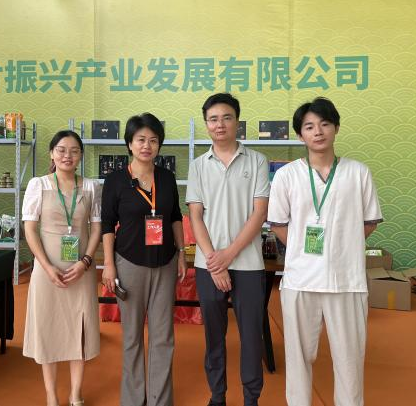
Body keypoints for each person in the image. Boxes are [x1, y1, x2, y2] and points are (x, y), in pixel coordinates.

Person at [267, 97, 383, 406]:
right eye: (309, 126)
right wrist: (304, 250)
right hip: (300, 280)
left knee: (349, 360)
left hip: (346, 281)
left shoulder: (358, 173)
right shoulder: (287, 175)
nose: (317, 131)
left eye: (324, 124)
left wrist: (340, 247)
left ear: (336, 128)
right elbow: (278, 223)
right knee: (298, 358)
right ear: (300, 134)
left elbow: (369, 222)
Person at [186, 93, 270, 406]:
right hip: (208, 265)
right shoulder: (198, 165)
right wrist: (215, 262)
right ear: (206, 124)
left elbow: (259, 213)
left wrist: (228, 255)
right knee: (214, 336)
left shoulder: (257, 160)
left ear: (237, 121)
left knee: (251, 336)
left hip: (248, 263)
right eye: (213, 119)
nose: (219, 124)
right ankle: (217, 396)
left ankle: (251, 398)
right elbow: (196, 215)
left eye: (226, 117)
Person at [101, 112, 187, 406]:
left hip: (165, 263)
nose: (147, 146)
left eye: (153, 140)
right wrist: (109, 264)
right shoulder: (115, 180)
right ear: (129, 144)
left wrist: (182, 253)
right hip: (129, 263)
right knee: (132, 337)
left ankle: (160, 400)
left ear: (159, 145)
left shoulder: (166, 177)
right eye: (140, 140)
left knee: (163, 337)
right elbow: (107, 224)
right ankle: (133, 399)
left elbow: (175, 216)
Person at [22, 130, 102, 406]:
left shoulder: (91, 187)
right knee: (48, 329)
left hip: (81, 271)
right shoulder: (38, 185)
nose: (68, 155)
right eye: (61, 150)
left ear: (81, 156)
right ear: (52, 154)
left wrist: (85, 262)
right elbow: (30, 229)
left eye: (74, 151)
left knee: (79, 331)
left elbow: (96, 228)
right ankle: (51, 395)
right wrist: (46, 266)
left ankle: (76, 393)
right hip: (47, 271)